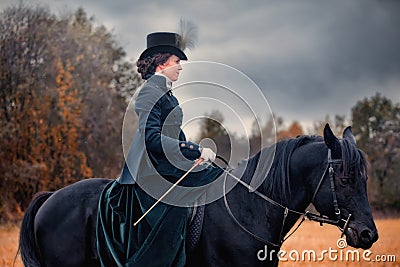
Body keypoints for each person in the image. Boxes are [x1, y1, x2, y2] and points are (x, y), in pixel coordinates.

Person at [97, 31, 224, 267]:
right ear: (161, 63)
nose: (180, 67)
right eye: (177, 62)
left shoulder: (167, 93)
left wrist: (193, 158)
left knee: (215, 174)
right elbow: (152, 138)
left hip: (167, 163)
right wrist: (194, 149)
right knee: (174, 209)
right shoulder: (149, 92)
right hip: (150, 169)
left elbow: (174, 134)